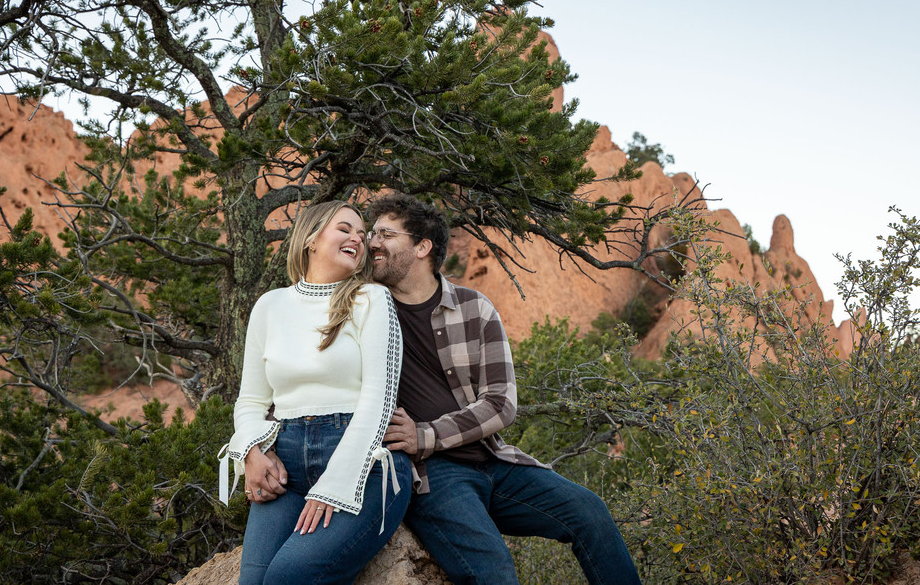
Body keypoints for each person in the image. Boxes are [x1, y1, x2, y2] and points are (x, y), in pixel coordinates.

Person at [368, 193, 642, 585]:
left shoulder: (474, 308)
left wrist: (426, 434)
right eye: (372, 232)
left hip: (493, 461)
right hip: (433, 477)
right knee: (493, 573)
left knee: (590, 514)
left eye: (385, 234)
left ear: (422, 246)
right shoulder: (366, 311)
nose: (372, 242)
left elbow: (500, 404)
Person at [218, 200, 410, 585]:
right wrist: (251, 454)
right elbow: (251, 401)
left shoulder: (371, 299)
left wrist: (335, 487)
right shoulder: (270, 306)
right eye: (345, 228)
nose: (358, 237)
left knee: (288, 578)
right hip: (285, 462)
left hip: (363, 464)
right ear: (310, 238)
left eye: (362, 233)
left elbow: (379, 400)